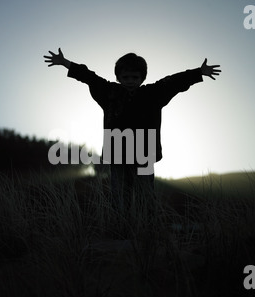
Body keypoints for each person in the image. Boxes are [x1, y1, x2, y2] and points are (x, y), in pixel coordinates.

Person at [43, 48, 221, 219]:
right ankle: (121, 230)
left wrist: (199, 72)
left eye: (135, 77)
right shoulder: (109, 92)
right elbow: (89, 77)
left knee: (146, 196)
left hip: (144, 154)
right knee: (120, 197)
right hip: (118, 154)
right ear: (118, 77)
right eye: (125, 77)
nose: (130, 80)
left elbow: (173, 82)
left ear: (142, 77)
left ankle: (146, 231)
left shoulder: (153, 93)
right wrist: (65, 62)